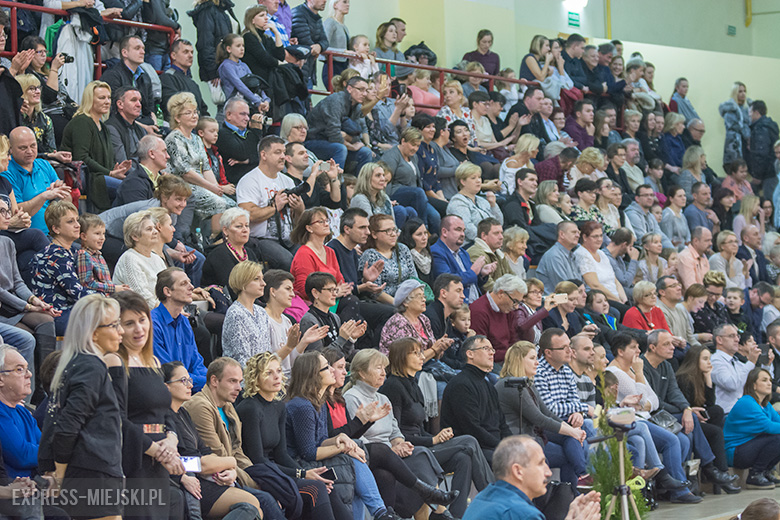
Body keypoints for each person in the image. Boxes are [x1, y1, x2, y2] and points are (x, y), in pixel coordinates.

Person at [381, 338, 494, 518]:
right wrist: (432, 439)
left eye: (420, 352)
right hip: (411, 452)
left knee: (463, 458)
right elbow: (395, 432)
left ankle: (455, 515)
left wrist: (439, 436)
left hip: (424, 446)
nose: (421, 357)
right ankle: (493, 497)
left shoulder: (413, 383)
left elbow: (419, 427)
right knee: (469, 441)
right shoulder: (393, 386)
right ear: (402, 357)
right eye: (415, 353)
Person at [343, 349, 459, 519]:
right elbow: (355, 436)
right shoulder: (352, 397)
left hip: (390, 457)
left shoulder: (383, 398)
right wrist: (391, 449)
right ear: (361, 372)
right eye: (378, 368)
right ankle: (438, 508)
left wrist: (399, 443)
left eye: (384, 368)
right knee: (417, 457)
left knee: (418, 454)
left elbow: (395, 430)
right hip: (367, 455)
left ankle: (421, 504)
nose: (383, 373)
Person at [285, 351, 401, 520]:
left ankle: (381, 512)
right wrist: (343, 447)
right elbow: (308, 452)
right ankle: (380, 512)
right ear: (313, 375)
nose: (332, 370)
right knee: (351, 458)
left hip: (313, 458)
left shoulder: (319, 402)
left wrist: (342, 440)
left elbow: (322, 440)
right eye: (326, 367)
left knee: (354, 450)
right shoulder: (301, 406)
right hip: (298, 465)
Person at [43, 294, 124, 519]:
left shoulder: (75, 364)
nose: (122, 331)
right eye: (115, 325)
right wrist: (60, 474)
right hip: (92, 472)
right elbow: (67, 425)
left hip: (86, 470)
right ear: (93, 332)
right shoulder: (91, 367)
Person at [107, 291, 187, 518]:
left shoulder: (153, 361)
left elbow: (165, 411)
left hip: (160, 456)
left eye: (142, 321)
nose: (139, 329)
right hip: (134, 458)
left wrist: (171, 438)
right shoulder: (114, 361)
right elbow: (118, 419)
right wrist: (157, 450)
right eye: (129, 323)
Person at [182, 356, 285, 520]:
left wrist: (257, 478)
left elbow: (237, 452)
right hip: (207, 481)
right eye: (232, 381)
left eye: (240, 381)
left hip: (225, 473)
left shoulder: (228, 406)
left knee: (280, 491)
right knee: (264, 499)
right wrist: (255, 483)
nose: (239, 388)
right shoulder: (199, 407)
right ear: (214, 381)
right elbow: (217, 457)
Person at [235, 352, 336, 520]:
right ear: (255, 378)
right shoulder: (250, 408)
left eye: (279, 371)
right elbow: (257, 459)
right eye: (269, 373)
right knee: (315, 488)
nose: (277, 377)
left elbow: (281, 454)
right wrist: (301, 474)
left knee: (327, 485)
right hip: (258, 473)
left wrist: (304, 472)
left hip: (276, 470)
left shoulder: (279, 407)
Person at [164, 362, 265, 520]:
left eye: (190, 380)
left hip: (206, 477)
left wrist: (230, 469)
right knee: (252, 505)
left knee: (259, 507)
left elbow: (205, 452)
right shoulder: (162, 417)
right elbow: (190, 462)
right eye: (183, 381)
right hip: (192, 482)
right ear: (166, 386)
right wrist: (229, 462)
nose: (190, 384)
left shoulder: (183, 413)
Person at [641, 330, 740, 492]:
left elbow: (674, 392)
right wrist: (686, 411)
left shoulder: (666, 365)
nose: (672, 348)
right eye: (666, 344)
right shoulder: (642, 366)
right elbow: (655, 402)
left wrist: (686, 408)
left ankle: (684, 485)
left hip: (666, 416)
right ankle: (708, 469)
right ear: (652, 347)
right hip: (650, 416)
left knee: (688, 437)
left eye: (672, 343)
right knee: (695, 423)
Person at [605, 333, 698, 503]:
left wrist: (644, 400)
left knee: (684, 440)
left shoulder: (632, 369)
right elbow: (642, 398)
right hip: (634, 420)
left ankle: (668, 488)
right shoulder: (615, 372)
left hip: (644, 418)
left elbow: (653, 401)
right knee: (671, 440)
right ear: (620, 351)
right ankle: (675, 487)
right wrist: (640, 374)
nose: (638, 351)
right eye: (633, 347)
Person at [496, 340, 589, 492]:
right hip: (517, 443)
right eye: (532, 358)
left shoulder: (527, 383)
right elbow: (538, 418)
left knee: (571, 440)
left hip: (534, 437)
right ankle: (579, 485)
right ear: (519, 360)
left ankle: (579, 485)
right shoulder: (510, 385)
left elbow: (548, 413)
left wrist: (573, 429)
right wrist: (573, 431)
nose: (537, 363)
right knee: (569, 453)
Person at [462, 435, 602, 520]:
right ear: (518, 471)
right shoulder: (522, 513)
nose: (548, 472)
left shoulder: (483, 498)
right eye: (541, 463)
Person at [166, 92, 237, 241]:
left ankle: (216, 240)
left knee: (232, 204)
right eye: (188, 113)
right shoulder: (174, 138)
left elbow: (206, 167)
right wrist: (212, 188)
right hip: (183, 186)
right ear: (177, 118)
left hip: (201, 184)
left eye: (195, 112)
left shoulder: (197, 139)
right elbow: (185, 172)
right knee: (222, 205)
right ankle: (212, 240)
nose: (194, 116)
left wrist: (217, 188)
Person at [237, 136, 304, 271]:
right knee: (288, 262)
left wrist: (299, 208)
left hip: (289, 238)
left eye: (284, 152)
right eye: (277, 152)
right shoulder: (250, 180)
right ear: (264, 155)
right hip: (261, 239)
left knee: (308, 258)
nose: (283, 157)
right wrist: (274, 207)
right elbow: (247, 215)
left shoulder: (287, 181)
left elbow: (297, 221)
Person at [441, 335, 511, 464]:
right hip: (473, 448)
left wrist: (512, 444)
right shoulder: (461, 384)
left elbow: (502, 423)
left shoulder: (488, 385)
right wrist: (502, 447)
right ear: (470, 354)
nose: (491, 353)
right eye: (486, 348)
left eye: (492, 350)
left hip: (492, 446)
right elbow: (472, 428)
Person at [30, 201, 91, 335]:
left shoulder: (66, 251)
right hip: (58, 315)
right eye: (70, 221)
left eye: (77, 220)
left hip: (68, 310)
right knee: (109, 319)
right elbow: (77, 293)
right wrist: (108, 299)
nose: (77, 225)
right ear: (56, 229)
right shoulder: (57, 255)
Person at [2, 127, 70, 233]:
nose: (29, 151)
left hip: (56, 233)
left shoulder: (44, 165)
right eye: (23, 148)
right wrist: (44, 196)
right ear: (11, 149)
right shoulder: (6, 172)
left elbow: (68, 201)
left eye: (33, 145)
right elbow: (16, 212)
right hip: (28, 235)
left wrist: (61, 192)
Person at [151, 267, 209, 391]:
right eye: (184, 284)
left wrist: (211, 379)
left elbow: (196, 361)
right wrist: (208, 382)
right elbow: (169, 373)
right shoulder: (153, 324)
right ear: (167, 291)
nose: (191, 287)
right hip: (169, 391)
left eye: (189, 282)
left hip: (189, 386)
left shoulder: (184, 321)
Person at [724, 368, 780, 489]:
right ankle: (755, 475)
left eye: (770, 380)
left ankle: (766, 471)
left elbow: (777, 422)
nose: (769, 383)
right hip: (735, 452)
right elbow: (769, 427)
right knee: (777, 438)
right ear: (754, 385)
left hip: (749, 447)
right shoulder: (747, 402)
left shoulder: (765, 404)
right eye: (764, 380)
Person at [305, 76, 372, 172]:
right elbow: (334, 135)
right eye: (361, 90)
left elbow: (358, 134)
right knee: (341, 149)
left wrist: (347, 137)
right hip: (314, 141)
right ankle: (335, 183)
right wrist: (351, 146)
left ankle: (359, 185)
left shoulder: (357, 106)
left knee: (366, 152)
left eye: (366, 90)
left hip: (334, 143)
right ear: (349, 88)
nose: (365, 94)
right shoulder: (335, 101)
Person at [300, 271, 366, 354]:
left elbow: (343, 354)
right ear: (315, 293)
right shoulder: (309, 321)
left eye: (335, 290)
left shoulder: (335, 317)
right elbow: (318, 359)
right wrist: (342, 338)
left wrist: (350, 339)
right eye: (330, 290)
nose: (335, 294)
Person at [112, 210, 167, 309]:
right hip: (141, 315)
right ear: (135, 236)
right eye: (149, 229)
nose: (155, 231)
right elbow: (144, 299)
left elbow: (170, 288)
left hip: (162, 311)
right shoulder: (129, 259)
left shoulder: (156, 258)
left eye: (154, 228)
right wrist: (169, 312)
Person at [358, 214, 418, 302]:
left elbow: (414, 278)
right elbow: (375, 292)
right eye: (388, 231)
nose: (393, 234)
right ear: (374, 234)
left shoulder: (402, 249)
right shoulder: (370, 254)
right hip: (386, 304)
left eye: (394, 230)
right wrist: (398, 304)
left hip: (409, 300)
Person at [100, 35, 156, 126]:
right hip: (120, 125)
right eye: (137, 48)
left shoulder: (145, 77)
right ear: (124, 53)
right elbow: (114, 112)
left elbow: (150, 109)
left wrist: (154, 125)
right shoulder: (112, 75)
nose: (142, 52)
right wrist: (144, 128)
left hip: (141, 122)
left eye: (143, 48)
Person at [202, 207, 260, 290]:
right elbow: (231, 288)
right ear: (225, 230)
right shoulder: (219, 255)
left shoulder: (250, 253)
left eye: (247, 226)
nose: (245, 230)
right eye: (239, 226)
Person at [711, 323, 762, 414]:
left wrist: (766, 364)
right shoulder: (715, 360)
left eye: (737, 336)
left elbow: (756, 382)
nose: (737, 340)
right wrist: (750, 362)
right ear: (719, 339)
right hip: (728, 413)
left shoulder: (736, 361)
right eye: (732, 336)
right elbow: (732, 384)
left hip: (744, 410)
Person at [573, 221, 627, 306]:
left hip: (616, 298)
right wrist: (618, 301)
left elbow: (615, 280)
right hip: (600, 300)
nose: (599, 239)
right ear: (585, 237)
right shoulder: (582, 254)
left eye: (601, 236)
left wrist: (624, 299)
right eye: (595, 236)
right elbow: (594, 285)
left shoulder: (601, 253)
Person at [188, 0, 237, 87]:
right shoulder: (207, 10)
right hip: (219, 70)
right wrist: (213, 72)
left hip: (231, 67)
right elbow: (205, 44)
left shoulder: (225, 8)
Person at [217, 98, 264, 185]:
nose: (247, 118)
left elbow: (264, 157)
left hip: (255, 180)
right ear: (229, 115)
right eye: (242, 114)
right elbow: (241, 153)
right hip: (235, 184)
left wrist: (247, 161)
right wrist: (255, 131)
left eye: (248, 115)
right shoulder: (222, 134)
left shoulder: (249, 133)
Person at [113, 135, 170, 207]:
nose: (168, 156)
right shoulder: (133, 183)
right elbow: (141, 216)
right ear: (151, 154)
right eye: (164, 151)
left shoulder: (163, 180)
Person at [160, 40, 210, 120]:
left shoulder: (193, 83)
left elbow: (203, 110)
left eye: (192, 52)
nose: (190, 56)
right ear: (174, 55)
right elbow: (173, 107)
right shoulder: (167, 78)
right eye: (185, 52)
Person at [535, 221, 582, 294]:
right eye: (574, 232)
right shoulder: (554, 255)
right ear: (562, 234)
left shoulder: (572, 255)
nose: (578, 235)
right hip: (556, 302)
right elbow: (564, 288)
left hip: (572, 300)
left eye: (578, 233)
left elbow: (581, 284)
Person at [657, 276, 701, 351]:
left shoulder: (681, 308)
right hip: (673, 351)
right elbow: (671, 341)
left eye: (679, 285)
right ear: (662, 292)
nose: (679, 288)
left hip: (685, 349)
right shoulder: (658, 310)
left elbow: (690, 338)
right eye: (673, 286)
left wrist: (703, 351)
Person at [291, 0, 329, 87]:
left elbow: (325, 41)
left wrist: (319, 46)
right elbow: (305, 41)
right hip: (298, 66)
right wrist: (315, 49)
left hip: (309, 68)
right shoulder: (298, 13)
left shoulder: (317, 17)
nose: (325, 1)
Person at [467, 218, 512, 292]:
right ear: (484, 236)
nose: (501, 237)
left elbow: (512, 277)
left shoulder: (498, 253)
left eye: (501, 233)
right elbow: (488, 287)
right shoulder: (477, 253)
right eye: (496, 233)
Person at [104, 86, 146, 165]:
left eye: (140, 101)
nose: (139, 105)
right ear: (120, 104)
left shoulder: (140, 129)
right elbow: (123, 164)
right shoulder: (111, 128)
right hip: (127, 176)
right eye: (133, 100)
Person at [625, 184, 673, 248]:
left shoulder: (650, 215)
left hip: (652, 248)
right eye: (646, 195)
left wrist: (672, 251)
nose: (650, 198)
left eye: (651, 195)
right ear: (637, 198)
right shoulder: (632, 214)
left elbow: (660, 236)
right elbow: (642, 239)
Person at [749, 100, 780, 197]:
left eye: (750, 112)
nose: (749, 115)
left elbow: (761, 153)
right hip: (773, 171)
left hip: (767, 174)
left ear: (756, 113)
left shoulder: (761, 128)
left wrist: (757, 175)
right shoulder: (769, 125)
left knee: (770, 203)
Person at [661, 185, 691, 250]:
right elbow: (668, 238)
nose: (683, 198)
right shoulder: (667, 214)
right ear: (671, 199)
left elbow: (688, 237)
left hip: (684, 250)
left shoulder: (682, 215)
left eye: (684, 195)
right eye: (680, 196)